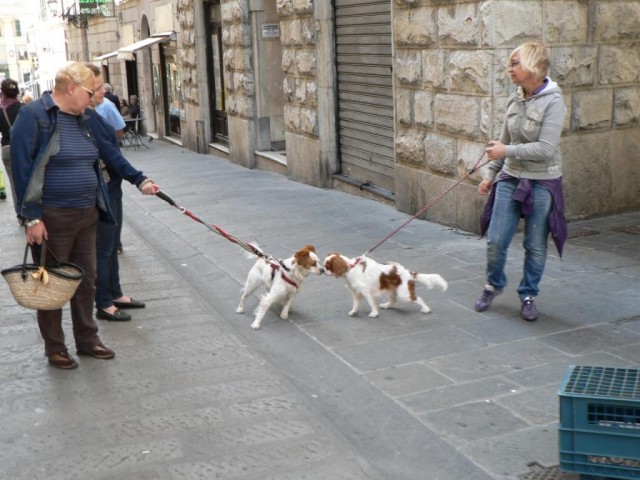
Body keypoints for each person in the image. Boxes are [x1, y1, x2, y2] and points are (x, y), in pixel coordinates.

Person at [10, 62, 159, 370]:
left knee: (86, 281)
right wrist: (32, 218)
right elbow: (22, 169)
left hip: (88, 212)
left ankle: (87, 340)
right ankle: (55, 347)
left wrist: (140, 179)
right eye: (92, 91)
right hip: (52, 217)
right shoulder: (34, 115)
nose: (96, 98)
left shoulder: (86, 118)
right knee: (51, 285)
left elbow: (110, 153)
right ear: (72, 88)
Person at [474, 42, 567, 322]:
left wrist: (506, 151)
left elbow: (545, 149)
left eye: (515, 63)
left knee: (535, 245)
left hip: (542, 182)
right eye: (510, 63)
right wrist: (490, 175)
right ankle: (493, 284)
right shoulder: (515, 100)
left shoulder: (554, 102)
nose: (509, 69)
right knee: (495, 240)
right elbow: (502, 142)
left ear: (533, 67)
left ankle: (528, 294)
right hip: (510, 177)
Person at [84, 62, 148, 322]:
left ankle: (115, 293)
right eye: (97, 88)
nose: (102, 92)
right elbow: (110, 154)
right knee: (104, 248)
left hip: (112, 187)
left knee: (111, 246)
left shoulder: (95, 114)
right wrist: (139, 179)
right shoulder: (88, 118)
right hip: (103, 190)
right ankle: (104, 302)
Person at [0, 78, 23, 207]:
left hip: (7, 147)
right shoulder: (24, 108)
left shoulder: (0, 109)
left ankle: (20, 213)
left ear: (3, 92)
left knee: (14, 183)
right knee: (28, 179)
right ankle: (30, 211)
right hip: (23, 148)